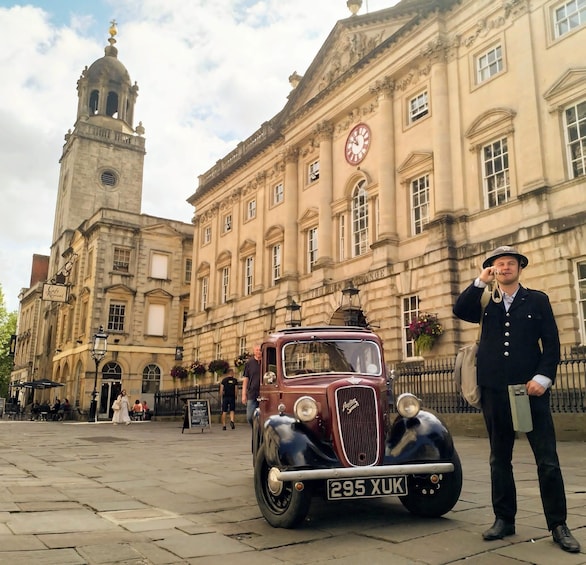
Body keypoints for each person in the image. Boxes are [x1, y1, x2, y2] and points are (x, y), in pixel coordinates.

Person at [453, 245, 580, 553]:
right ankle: (503, 519)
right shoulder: (485, 301)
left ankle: (558, 524)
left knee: (547, 460)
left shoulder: (537, 300)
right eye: (499, 264)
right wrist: (480, 281)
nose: (505, 267)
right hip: (494, 391)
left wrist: (543, 377)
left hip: (530, 390)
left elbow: (551, 343)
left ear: (519, 268)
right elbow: (460, 310)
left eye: (510, 263)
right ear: (493, 270)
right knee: (499, 458)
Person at [241, 344, 261, 426]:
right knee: (250, 416)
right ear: (254, 351)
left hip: (264, 393)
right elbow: (246, 379)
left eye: (260, 350)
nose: (259, 352)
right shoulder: (249, 363)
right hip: (252, 393)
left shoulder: (266, 361)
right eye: (257, 350)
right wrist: (243, 394)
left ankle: (260, 430)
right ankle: (255, 430)